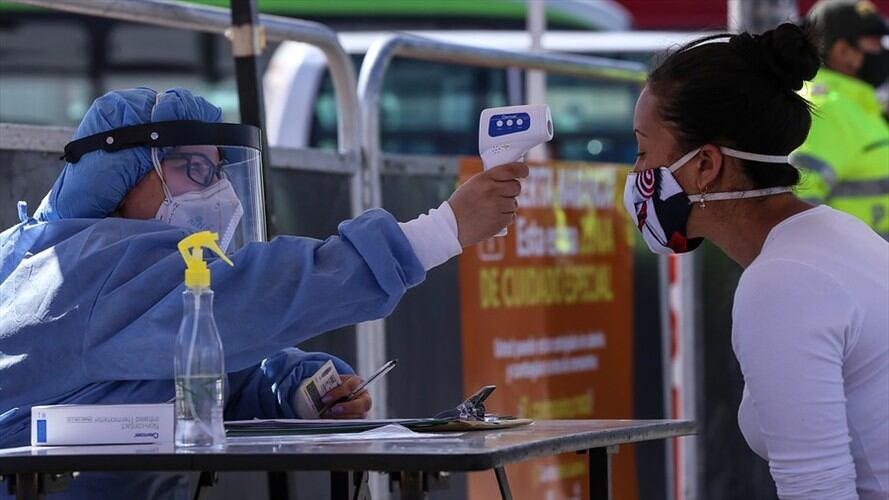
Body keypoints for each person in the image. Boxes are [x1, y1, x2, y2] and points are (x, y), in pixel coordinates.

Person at [0, 87, 528, 498]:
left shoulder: (61, 257)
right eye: (197, 169)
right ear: (122, 174)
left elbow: (190, 371)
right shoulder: (76, 269)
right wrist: (440, 230)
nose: (220, 193)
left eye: (220, 171)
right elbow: (255, 293)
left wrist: (295, 388)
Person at [626, 23, 888, 499]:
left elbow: (818, 491)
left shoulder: (783, 283)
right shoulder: (832, 233)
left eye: (644, 150)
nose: (638, 173)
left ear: (706, 165)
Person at [790, 0, 889, 239]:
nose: (882, 51)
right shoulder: (826, 109)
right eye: (874, 42)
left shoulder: (856, 106)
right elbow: (795, 205)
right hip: (853, 271)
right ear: (843, 51)